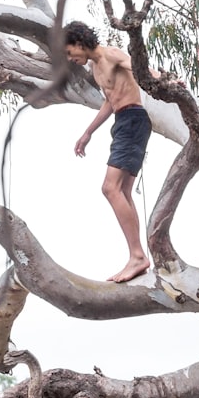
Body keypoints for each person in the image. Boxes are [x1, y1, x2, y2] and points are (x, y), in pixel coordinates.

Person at [65, 21, 153, 283]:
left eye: (70, 52)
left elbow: (142, 70)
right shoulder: (94, 68)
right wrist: (88, 132)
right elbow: (109, 100)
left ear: (80, 42)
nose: (71, 58)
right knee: (122, 191)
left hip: (134, 120)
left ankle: (137, 256)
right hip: (122, 122)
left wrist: (166, 80)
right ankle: (137, 257)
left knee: (109, 188)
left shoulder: (111, 55)